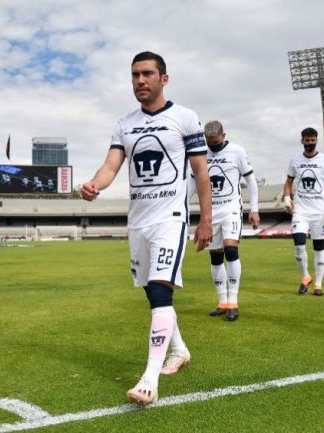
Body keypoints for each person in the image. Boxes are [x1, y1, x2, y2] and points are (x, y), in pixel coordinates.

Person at [81, 51, 212, 406]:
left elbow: (201, 172)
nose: (140, 80)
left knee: (159, 292)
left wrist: (206, 219)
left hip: (171, 217)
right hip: (137, 221)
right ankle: (180, 350)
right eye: (135, 75)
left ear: (163, 79)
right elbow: (111, 165)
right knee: (152, 293)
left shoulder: (185, 118)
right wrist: (95, 183)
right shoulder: (124, 124)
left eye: (147, 74)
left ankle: (149, 378)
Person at [189, 120, 260, 321]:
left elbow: (251, 181)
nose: (212, 145)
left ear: (224, 136)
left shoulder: (237, 152)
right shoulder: (200, 154)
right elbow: (192, 183)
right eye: (209, 142)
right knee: (216, 257)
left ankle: (233, 302)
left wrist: (254, 209)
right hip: (210, 213)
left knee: (231, 249)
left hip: (231, 209)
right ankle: (221, 302)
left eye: (215, 141)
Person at [283, 127, 324, 296]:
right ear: (302, 141)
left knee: (319, 249)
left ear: (317, 140)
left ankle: (318, 284)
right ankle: (305, 276)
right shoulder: (295, 160)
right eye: (307, 140)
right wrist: (286, 198)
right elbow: (289, 182)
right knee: (299, 245)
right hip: (300, 211)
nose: (310, 143)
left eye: (313, 140)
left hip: (319, 212)